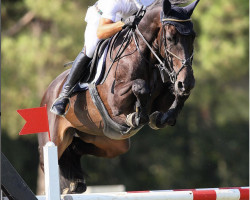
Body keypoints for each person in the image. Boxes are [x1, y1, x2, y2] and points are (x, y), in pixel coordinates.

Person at [50, 0, 156, 116]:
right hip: (101, 19)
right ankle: (64, 95)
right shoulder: (113, 2)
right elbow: (101, 32)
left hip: (128, 22)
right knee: (90, 48)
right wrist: (123, 23)